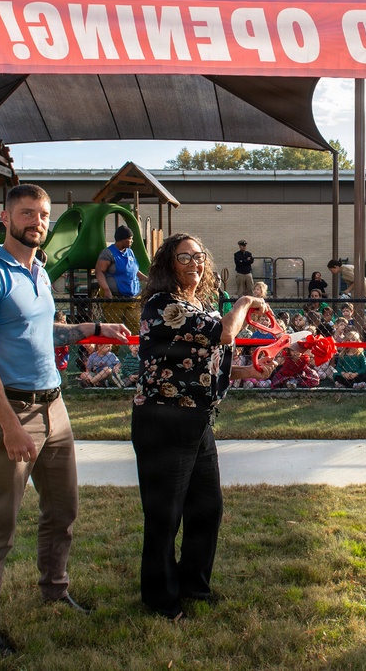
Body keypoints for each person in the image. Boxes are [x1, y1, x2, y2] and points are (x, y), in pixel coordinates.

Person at [0, 184, 131, 657]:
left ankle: (54, 589)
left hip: (56, 407)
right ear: (5, 217)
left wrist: (94, 329)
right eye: (28, 212)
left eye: (44, 214)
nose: (37, 221)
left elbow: (40, 329)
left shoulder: (38, 271)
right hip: (12, 411)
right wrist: (10, 425)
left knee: (63, 510)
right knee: (0, 522)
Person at [132, 233, 271, 621]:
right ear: (168, 264)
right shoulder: (164, 304)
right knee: (164, 515)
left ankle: (193, 584)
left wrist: (248, 371)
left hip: (196, 418)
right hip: (163, 418)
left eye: (199, 256)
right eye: (184, 257)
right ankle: (161, 600)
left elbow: (203, 358)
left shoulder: (199, 304)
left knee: (207, 508)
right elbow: (226, 334)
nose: (195, 263)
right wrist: (245, 301)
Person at [95, 225, 147, 332]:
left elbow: (134, 270)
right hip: (115, 299)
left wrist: (147, 279)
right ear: (122, 239)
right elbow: (99, 271)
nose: (132, 241)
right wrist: (106, 290)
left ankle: (136, 348)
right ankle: (112, 349)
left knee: (136, 326)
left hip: (133, 298)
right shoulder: (108, 253)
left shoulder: (130, 252)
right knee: (114, 329)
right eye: (130, 238)